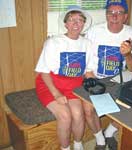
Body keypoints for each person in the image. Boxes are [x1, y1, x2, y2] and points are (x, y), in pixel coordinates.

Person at [83, 0, 132, 149]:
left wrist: (128, 55)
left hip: (119, 79)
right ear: (106, 15)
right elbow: (85, 57)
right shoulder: (94, 31)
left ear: (125, 16)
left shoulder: (131, 33)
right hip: (95, 78)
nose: (114, 16)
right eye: (110, 12)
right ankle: (100, 139)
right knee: (88, 108)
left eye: (119, 12)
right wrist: (91, 78)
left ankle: (109, 132)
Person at [35, 6, 94, 150]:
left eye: (80, 20)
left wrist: (96, 89)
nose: (76, 23)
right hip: (50, 84)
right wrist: (56, 94)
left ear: (83, 24)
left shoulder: (87, 44)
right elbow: (43, 71)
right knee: (65, 116)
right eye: (72, 19)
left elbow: (88, 71)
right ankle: (65, 148)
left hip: (73, 85)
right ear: (65, 24)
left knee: (78, 114)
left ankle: (78, 144)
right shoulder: (54, 42)